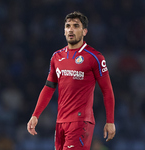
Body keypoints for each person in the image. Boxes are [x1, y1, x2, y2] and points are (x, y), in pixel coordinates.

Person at [27, 11, 116, 150]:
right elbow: (49, 88)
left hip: (81, 122)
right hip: (60, 121)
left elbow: (107, 90)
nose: (71, 29)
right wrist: (35, 115)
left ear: (84, 31)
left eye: (76, 26)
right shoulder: (57, 57)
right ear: (64, 31)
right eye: (68, 26)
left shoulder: (95, 57)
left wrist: (110, 121)